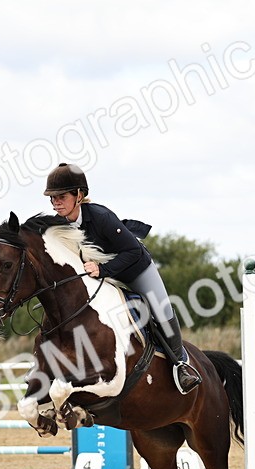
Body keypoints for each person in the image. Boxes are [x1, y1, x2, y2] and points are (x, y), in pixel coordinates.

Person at [43, 163, 202, 394]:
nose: (56, 202)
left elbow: (133, 252)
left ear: (79, 195)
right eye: (52, 198)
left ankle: (180, 364)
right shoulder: (59, 225)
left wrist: (102, 269)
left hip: (135, 270)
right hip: (101, 276)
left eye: (61, 196)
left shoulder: (100, 216)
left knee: (161, 308)